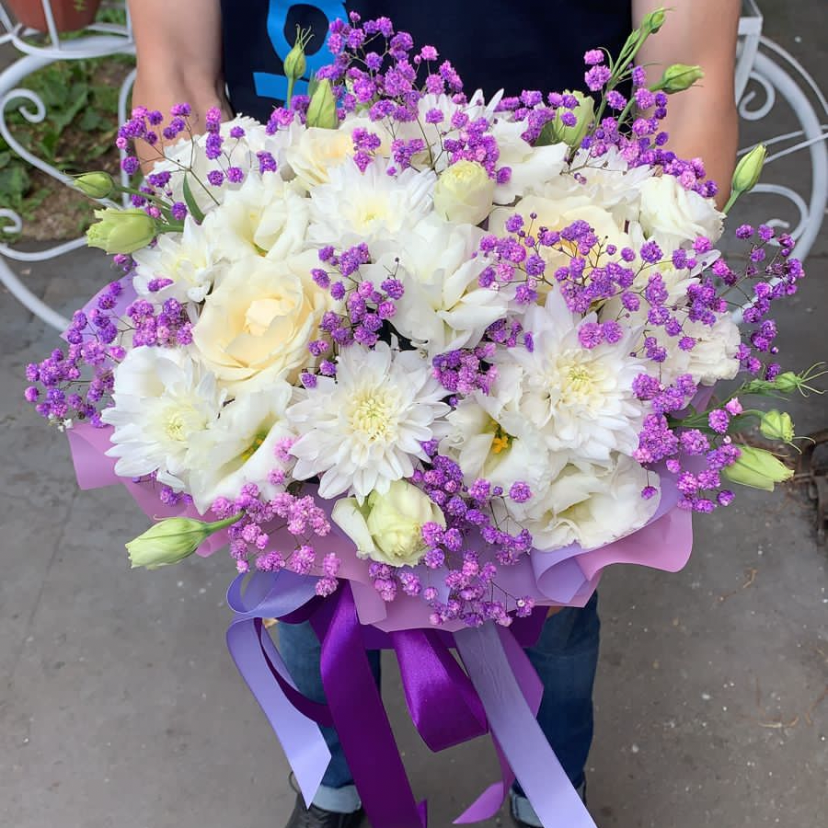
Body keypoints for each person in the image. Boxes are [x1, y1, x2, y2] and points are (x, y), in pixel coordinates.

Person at [127, 2, 741, 826]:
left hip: (550, 278)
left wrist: (638, 313)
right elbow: (174, 69)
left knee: (556, 600)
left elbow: (689, 84)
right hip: (298, 265)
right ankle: (336, 787)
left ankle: (549, 796)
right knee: (307, 588)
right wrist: (219, 278)